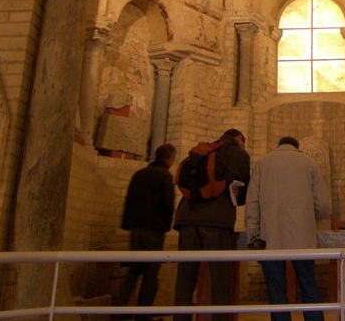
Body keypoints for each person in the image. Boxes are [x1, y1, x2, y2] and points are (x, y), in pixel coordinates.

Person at [245, 136, 331, 321]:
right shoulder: (309, 164)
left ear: (279, 145)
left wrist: (253, 234)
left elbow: (251, 202)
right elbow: (323, 206)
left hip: (270, 237)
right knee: (308, 286)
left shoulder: (263, 163)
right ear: (296, 147)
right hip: (303, 239)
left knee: (276, 292)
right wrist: (310, 215)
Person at [173, 129, 250, 320]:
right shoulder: (239, 154)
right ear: (238, 138)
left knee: (185, 279)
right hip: (217, 221)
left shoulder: (204, 150)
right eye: (244, 141)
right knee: (220, 279)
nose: (244, 145)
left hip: (187, 218)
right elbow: (244, 189)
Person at [117, 142, 177, 317]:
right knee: (151, 275)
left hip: (136, 230)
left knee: (134, 270)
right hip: (154, 231)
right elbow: (167, 204)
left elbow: (129, 201)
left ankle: (119, 308)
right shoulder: (164, 176)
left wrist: (128, 225)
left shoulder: (139, 174)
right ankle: (143, 315)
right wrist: (166, 225)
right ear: (170, 158)